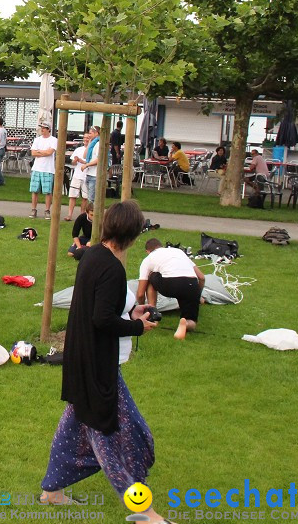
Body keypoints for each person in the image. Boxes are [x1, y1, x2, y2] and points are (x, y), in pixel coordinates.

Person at [39, 200, 160, 513]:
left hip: (83, 362)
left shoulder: (93, 254)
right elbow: (101, 319)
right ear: (133, 236)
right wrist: (137, 326)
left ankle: (52, 491)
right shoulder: (111, 269)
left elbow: (101, 308)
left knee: (74, 428)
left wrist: (131, 311)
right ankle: (144, 512)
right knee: (121, 439)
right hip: (96, 369)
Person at [137, 238, 206, 340]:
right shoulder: (178, 252)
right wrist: (197, 296)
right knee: (192, 321)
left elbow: (140, 294)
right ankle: (185, 324)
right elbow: (201, 277)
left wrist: (142, 309)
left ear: (148, 251)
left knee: (150, 276)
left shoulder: (149, 258)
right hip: (191, 285)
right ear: (161, 246)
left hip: (170, 284)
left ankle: (153, 314)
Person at [29, 123, 58, 220]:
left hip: (48, 169)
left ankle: (47, 210)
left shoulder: (53, 140)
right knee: (34, 190)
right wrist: (44, 152)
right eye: (41, 128)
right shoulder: (37, 140)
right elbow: (33, 153)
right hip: (37, 168)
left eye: (44, 128)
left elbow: (50, 152)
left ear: (48, 129)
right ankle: (33, 209)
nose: (42, 129)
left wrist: (40, 151)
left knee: (48, 191)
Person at [65, 131, 90, 222]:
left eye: (88, 137)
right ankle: (69, 214)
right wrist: (75, 160)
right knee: (73, 196)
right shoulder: (78, 149)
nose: (86, 139)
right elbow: (72, 162)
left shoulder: (92, 150)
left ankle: (82, 215)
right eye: (85, 137)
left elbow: (91, 162)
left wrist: (81, 161)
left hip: (87, 175)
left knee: (85, 197)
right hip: (77, 175)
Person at [82, 125, 102, 204]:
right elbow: (84, 156)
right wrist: (89, 143)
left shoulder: (98, 144)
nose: (89, 135)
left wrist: (87, 165)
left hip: (95, 175)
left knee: (92, 199)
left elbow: (99, 159)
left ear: (96, 133)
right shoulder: (92, 144)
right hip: (89, 173)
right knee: (89, 197)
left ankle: (92, 215)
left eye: (90, 133)